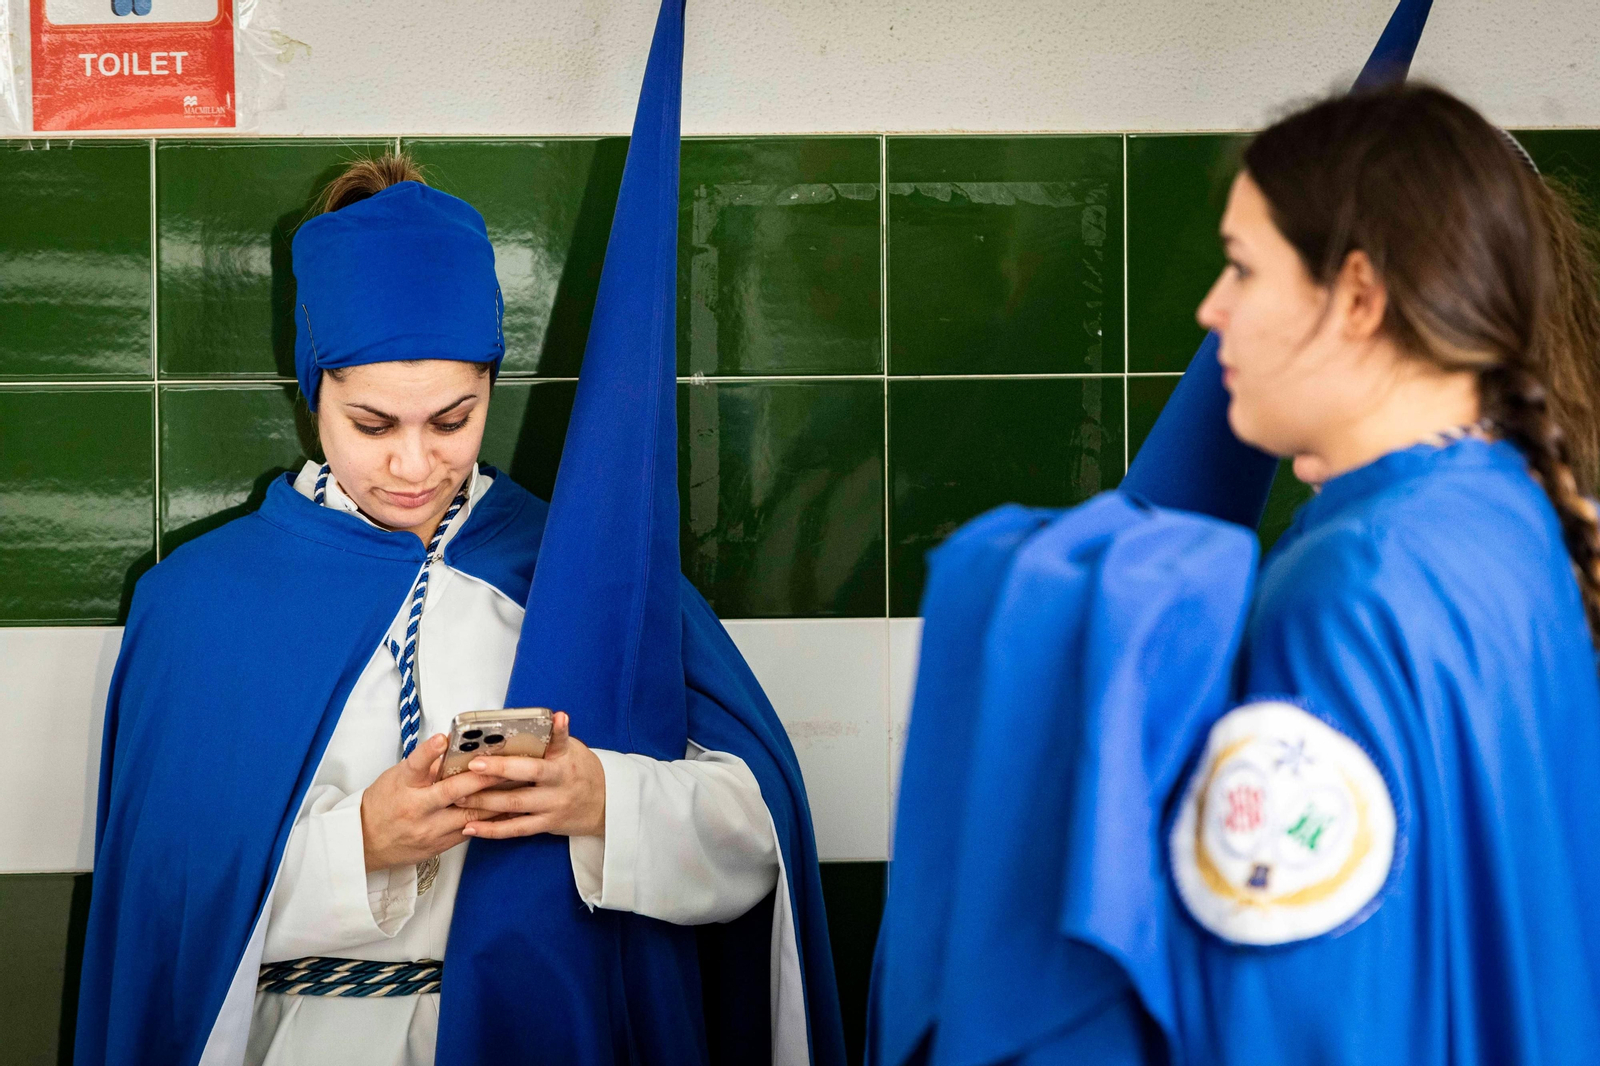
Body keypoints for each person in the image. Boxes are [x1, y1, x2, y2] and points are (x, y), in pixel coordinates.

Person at [874, 82, 1600, 1066]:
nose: (1212, 310)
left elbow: (1297, 1024)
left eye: (1243, 269)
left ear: (1355, 296)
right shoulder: (1509, 522)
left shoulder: (1349, 584)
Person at [74, 156, 842, 1066]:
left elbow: (760, 834)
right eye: (372, 425)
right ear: (310, 387)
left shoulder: (578, 573)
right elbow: (159, 911)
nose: (413, 466)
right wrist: (360, 845)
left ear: (491, 387)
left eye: (452, 420)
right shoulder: (201, 603)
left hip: (550, 1038)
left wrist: (605, 800)